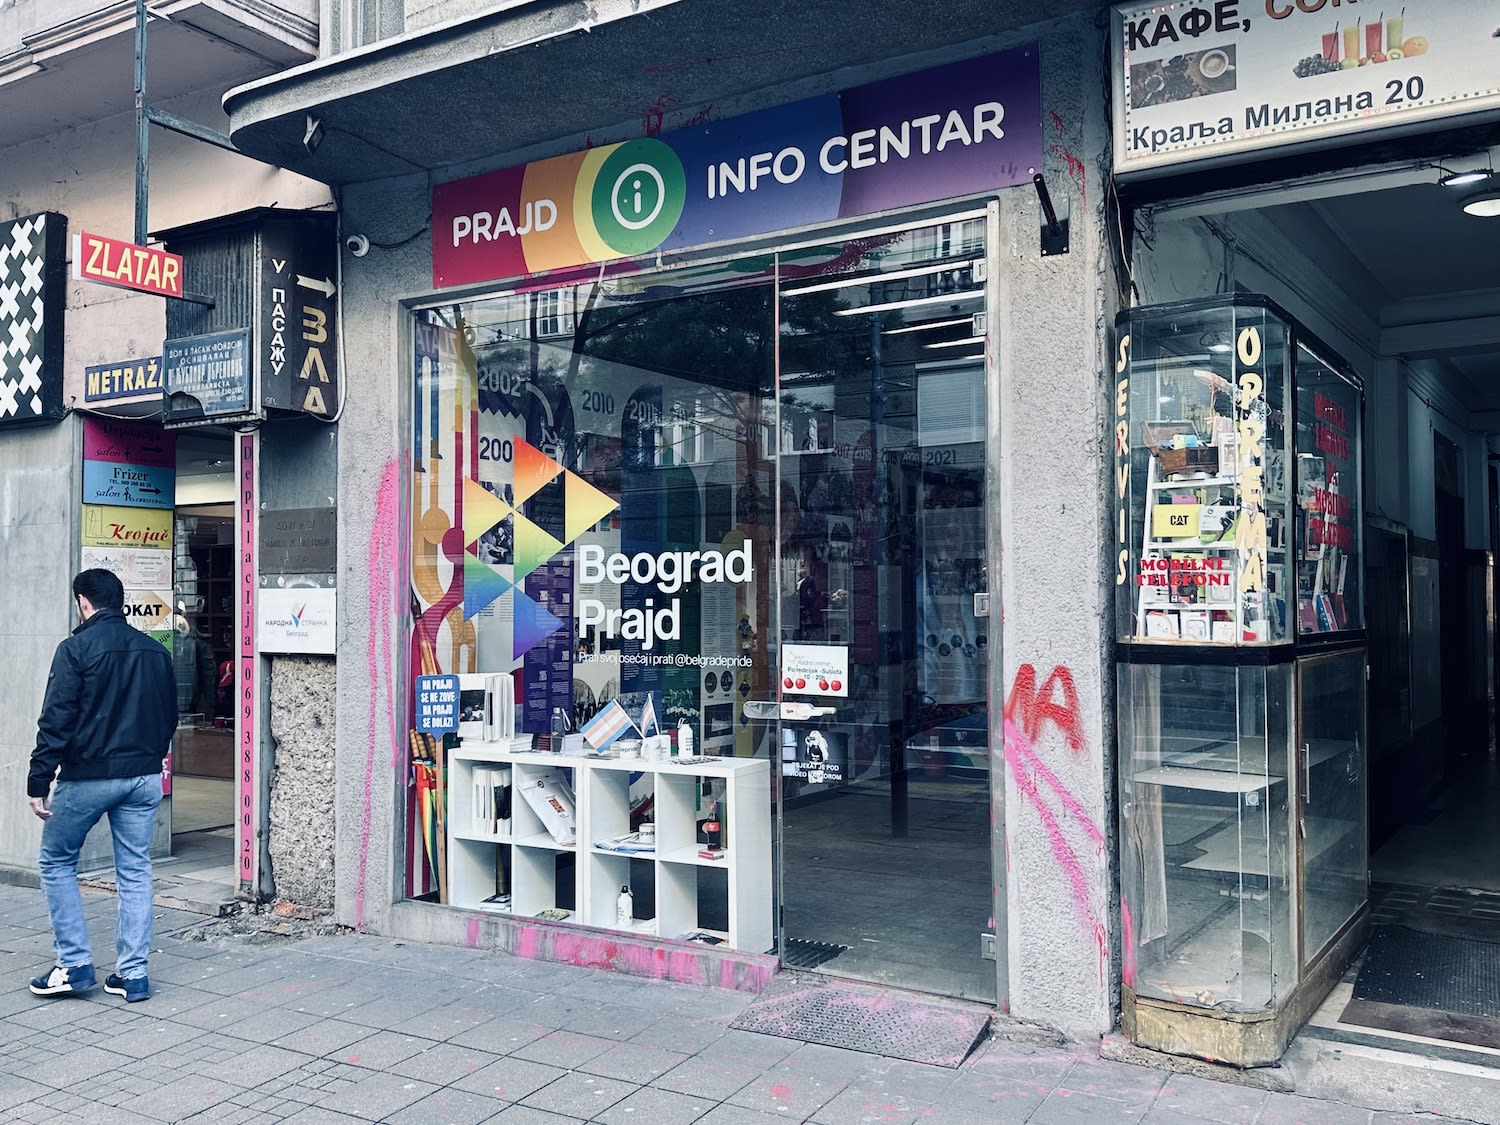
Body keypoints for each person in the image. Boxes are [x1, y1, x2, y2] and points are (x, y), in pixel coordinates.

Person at [26, 569, 176, 1003]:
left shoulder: (75, 649)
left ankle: (73, 965)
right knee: (134, 870)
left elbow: (56, 720)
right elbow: (170, 719)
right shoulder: (155, 651)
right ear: (120, 601)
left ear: (83, 602)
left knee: (56, 861)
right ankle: (132, 975)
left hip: (89, 776)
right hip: (145, 777)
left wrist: (39, 780)